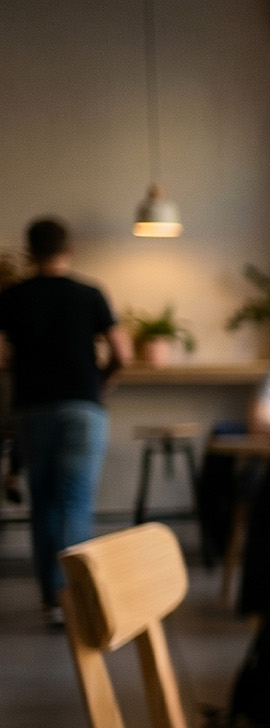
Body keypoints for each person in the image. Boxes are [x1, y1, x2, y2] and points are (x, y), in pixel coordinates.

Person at [0, 218, 131, 628]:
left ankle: (51, 602)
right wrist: (102, 383)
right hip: (81, 407)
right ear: (68, 249)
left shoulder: (12, 296)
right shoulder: (89, 293)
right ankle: (75, 600)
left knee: (43, 505)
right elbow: (123, 352)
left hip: (32, 410)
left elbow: (1, 357)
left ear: (30, 252)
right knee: (74, 503)